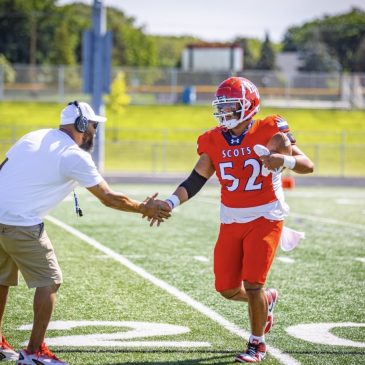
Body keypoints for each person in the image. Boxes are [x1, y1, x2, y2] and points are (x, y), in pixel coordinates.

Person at [153, 77, 314, 363]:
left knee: (253, 283)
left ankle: (257, 344)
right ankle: (267, 300)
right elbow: (195, 179)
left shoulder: (270, 129)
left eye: (231, 106)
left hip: (266, 215)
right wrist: (171, 202)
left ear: (249, 105)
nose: (225, 112)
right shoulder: (213, 139)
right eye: (222, 107)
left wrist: (284, 160)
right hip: (231, 218)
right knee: (227, 288)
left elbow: (307, 165)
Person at [0, 101, 170, 365]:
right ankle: (34, 352)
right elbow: (109, 198)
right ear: (81, 125)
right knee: (50, 280)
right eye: (92, 125)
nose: (94, 130)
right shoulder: (74, 154)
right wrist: (144, 208)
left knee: (1, 279)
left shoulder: (34, 136)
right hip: (20, 222)